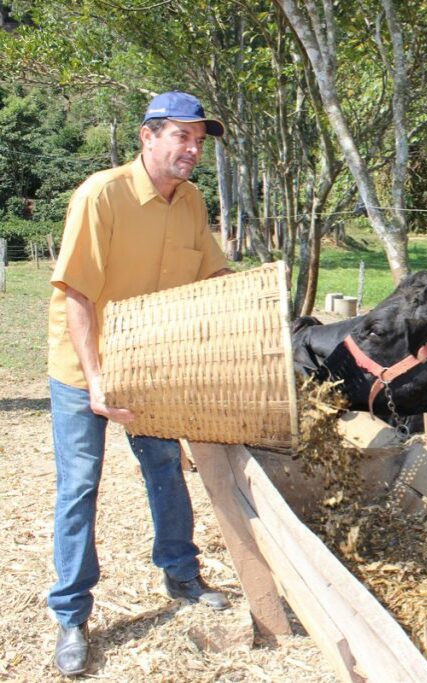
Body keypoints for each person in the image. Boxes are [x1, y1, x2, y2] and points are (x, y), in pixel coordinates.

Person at [46, 91, 234, 677]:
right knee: (80, 486)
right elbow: (75, 292)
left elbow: (214, 272)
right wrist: (97, 381)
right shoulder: (103, 195)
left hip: (150, 368)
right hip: (85, 369)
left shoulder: (192, 202)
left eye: (200, 140)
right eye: (182, 136)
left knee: (165, 468)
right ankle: (72, 616)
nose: (193, 150)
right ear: (147, 136)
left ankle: (181, 573)